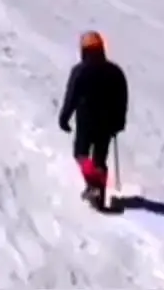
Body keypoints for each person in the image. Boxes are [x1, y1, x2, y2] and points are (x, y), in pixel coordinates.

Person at [58, 30, 128, 208]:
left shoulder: (80, 71)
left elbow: (72, 96)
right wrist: (119, 122)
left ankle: (92, 185)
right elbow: (122, 98)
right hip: (107, 123)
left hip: (86, 120)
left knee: (81, 154)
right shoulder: (115, 71)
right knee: (100, 158)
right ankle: (100, 194)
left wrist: (64, 117)